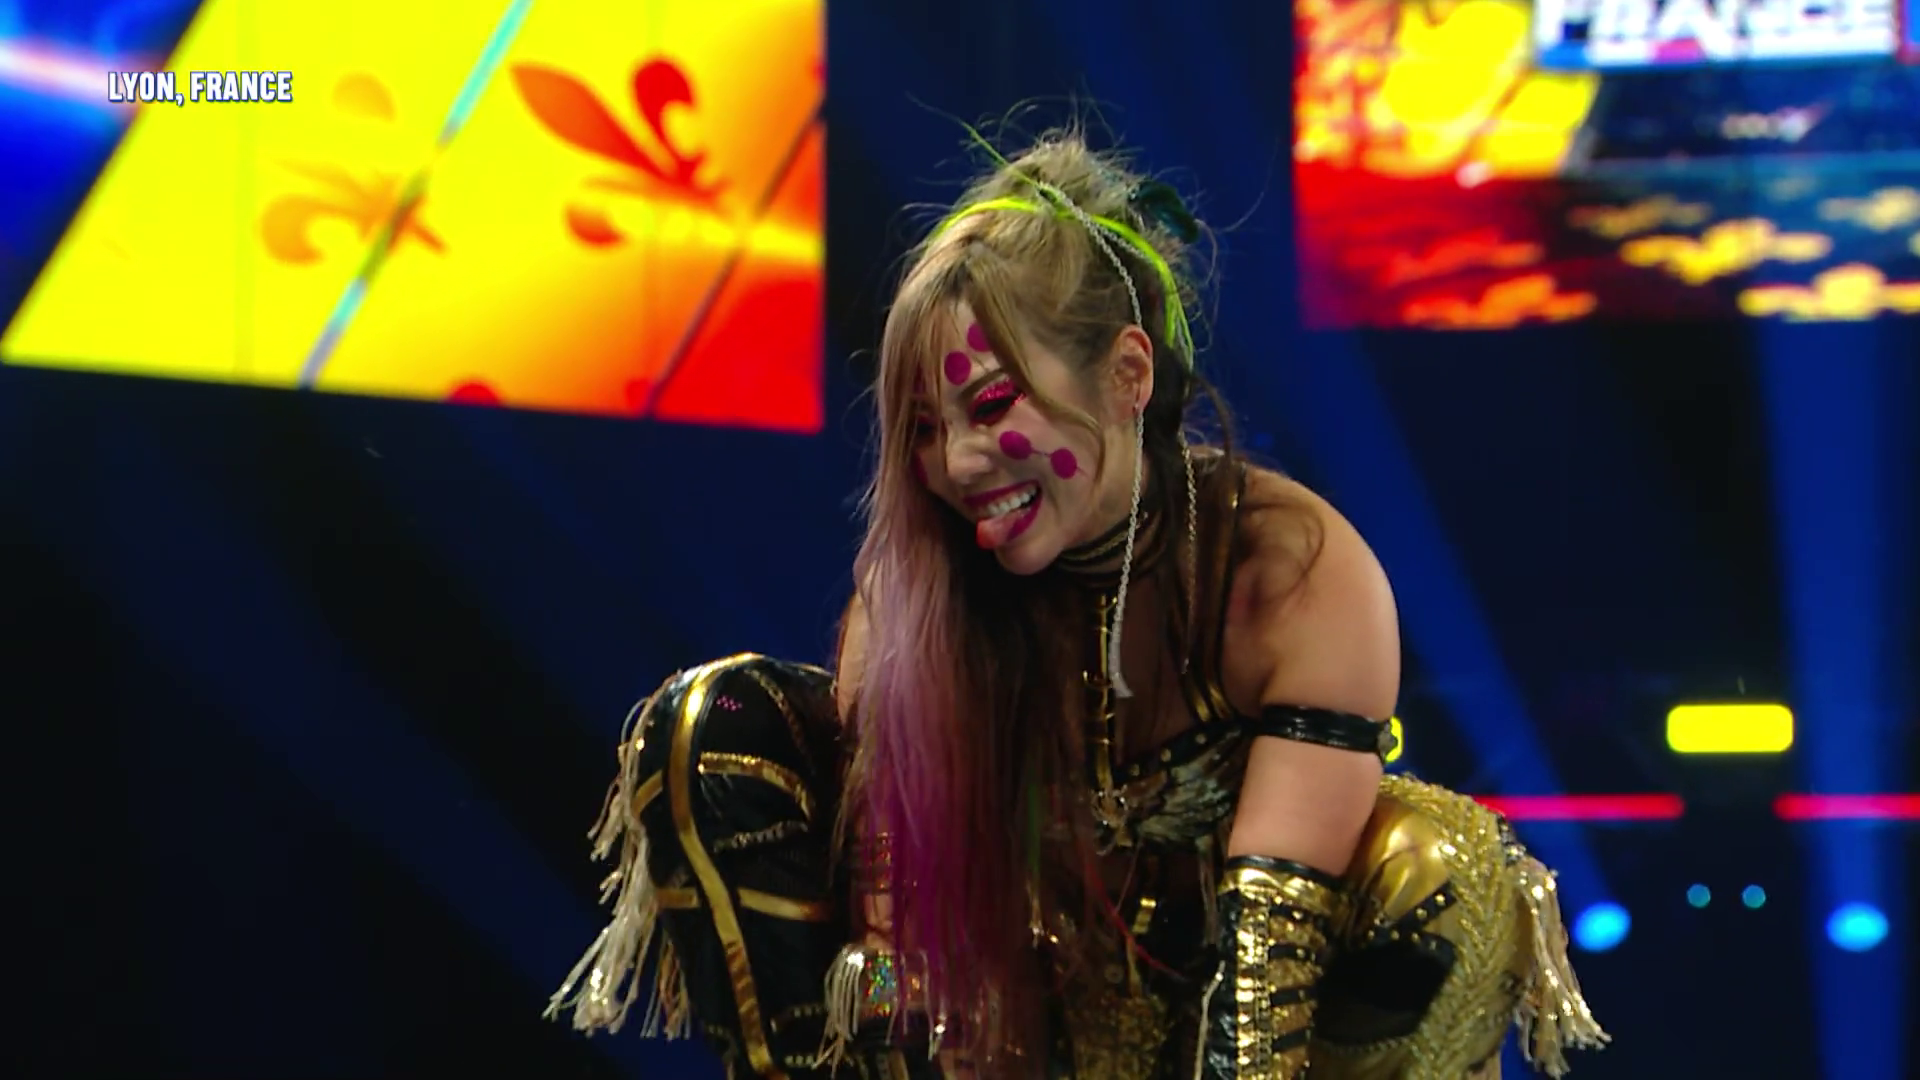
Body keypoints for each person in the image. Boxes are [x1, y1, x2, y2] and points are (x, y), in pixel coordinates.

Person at [546, 128, 1608, 1080]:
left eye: (990, 404)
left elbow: (1264, 980)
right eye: (924, 428)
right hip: (1004, 1023)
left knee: (1438, 869)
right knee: (709, 726)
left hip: (1225, 1031)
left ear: (1128, 375)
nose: (956, 464)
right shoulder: (915, 591)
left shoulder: (1289, 571)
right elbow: (892, 950)